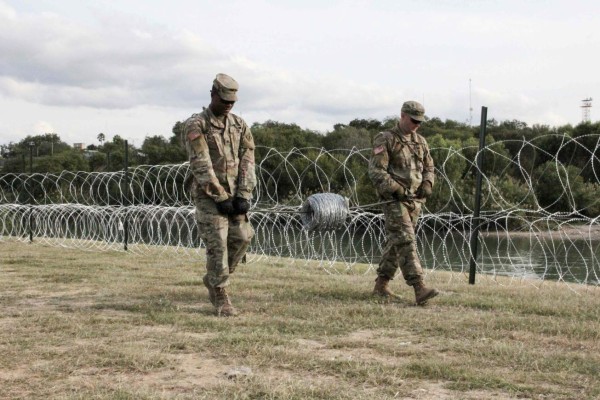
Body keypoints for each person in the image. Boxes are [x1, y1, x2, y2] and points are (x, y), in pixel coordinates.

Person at [181, 73, 256, 316]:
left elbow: (248, 159)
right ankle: (221, 294)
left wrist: (244, 193)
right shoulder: (197, 124)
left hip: (235, 195)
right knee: (218, 245)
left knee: (243, 237)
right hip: (208, 196)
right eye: (224, 100)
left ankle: (215, 277)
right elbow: (200, 163)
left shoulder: (239, 124)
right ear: (213, 94)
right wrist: (219, 196)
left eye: (232, 101)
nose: (228, 105)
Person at [368, 100, 439, 305]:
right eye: (413, 120)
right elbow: (376, 171)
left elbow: (429, 167)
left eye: (420, 122)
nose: (417, 125)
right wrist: (397, 189)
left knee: (396, 243)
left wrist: (427, 183)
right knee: (406, 240)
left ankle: (381, 286)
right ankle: (419, 287)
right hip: (394, 201)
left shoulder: (420, 142)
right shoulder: (387, 139)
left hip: (415, 201)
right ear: (402, 116)